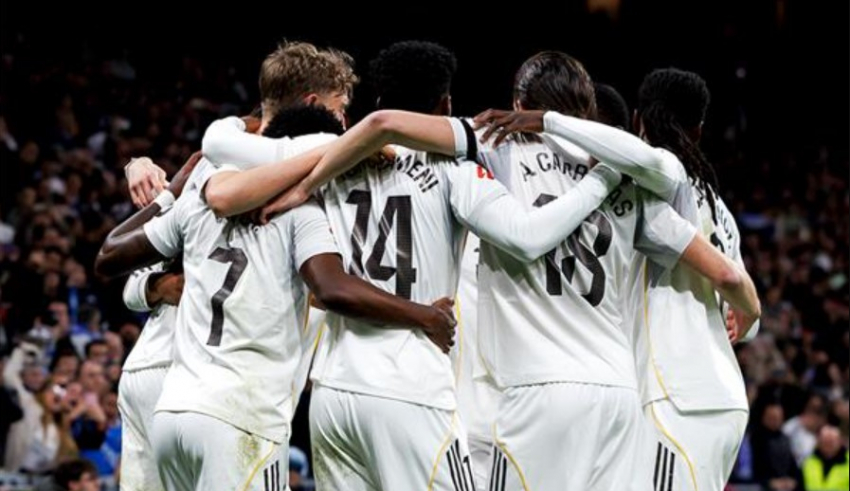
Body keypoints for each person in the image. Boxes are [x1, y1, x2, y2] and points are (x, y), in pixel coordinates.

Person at [95, 143, 456, 490]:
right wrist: (425, 316)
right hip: (221, 394)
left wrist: (160, 193)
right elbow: (333, 290)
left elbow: (126, 275)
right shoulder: (292, 209)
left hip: (168, 390)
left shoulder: (212, 192)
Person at [473, 66, 763, 491]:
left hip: (674, 395)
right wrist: (751, 309)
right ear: (699, 130)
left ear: (638, 122)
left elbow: (725, 275)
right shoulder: (722, 211)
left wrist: (549, 122)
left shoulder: (654, 192)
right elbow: (741, 313)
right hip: (721, 392)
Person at [115, 40, 359, 491]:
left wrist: (145, 173)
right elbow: (331, 288)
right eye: (340, 109)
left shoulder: (215, 158)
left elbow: (124, 268)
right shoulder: (304, 179)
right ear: (313, 104)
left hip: (176, 395)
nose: (345, 123)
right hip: (222, 394)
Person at [802, 425, 849, 491]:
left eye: (831, 441)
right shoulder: (808, 462)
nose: (828, 445)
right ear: (818, 441)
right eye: (825, 441)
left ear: (840, 441)